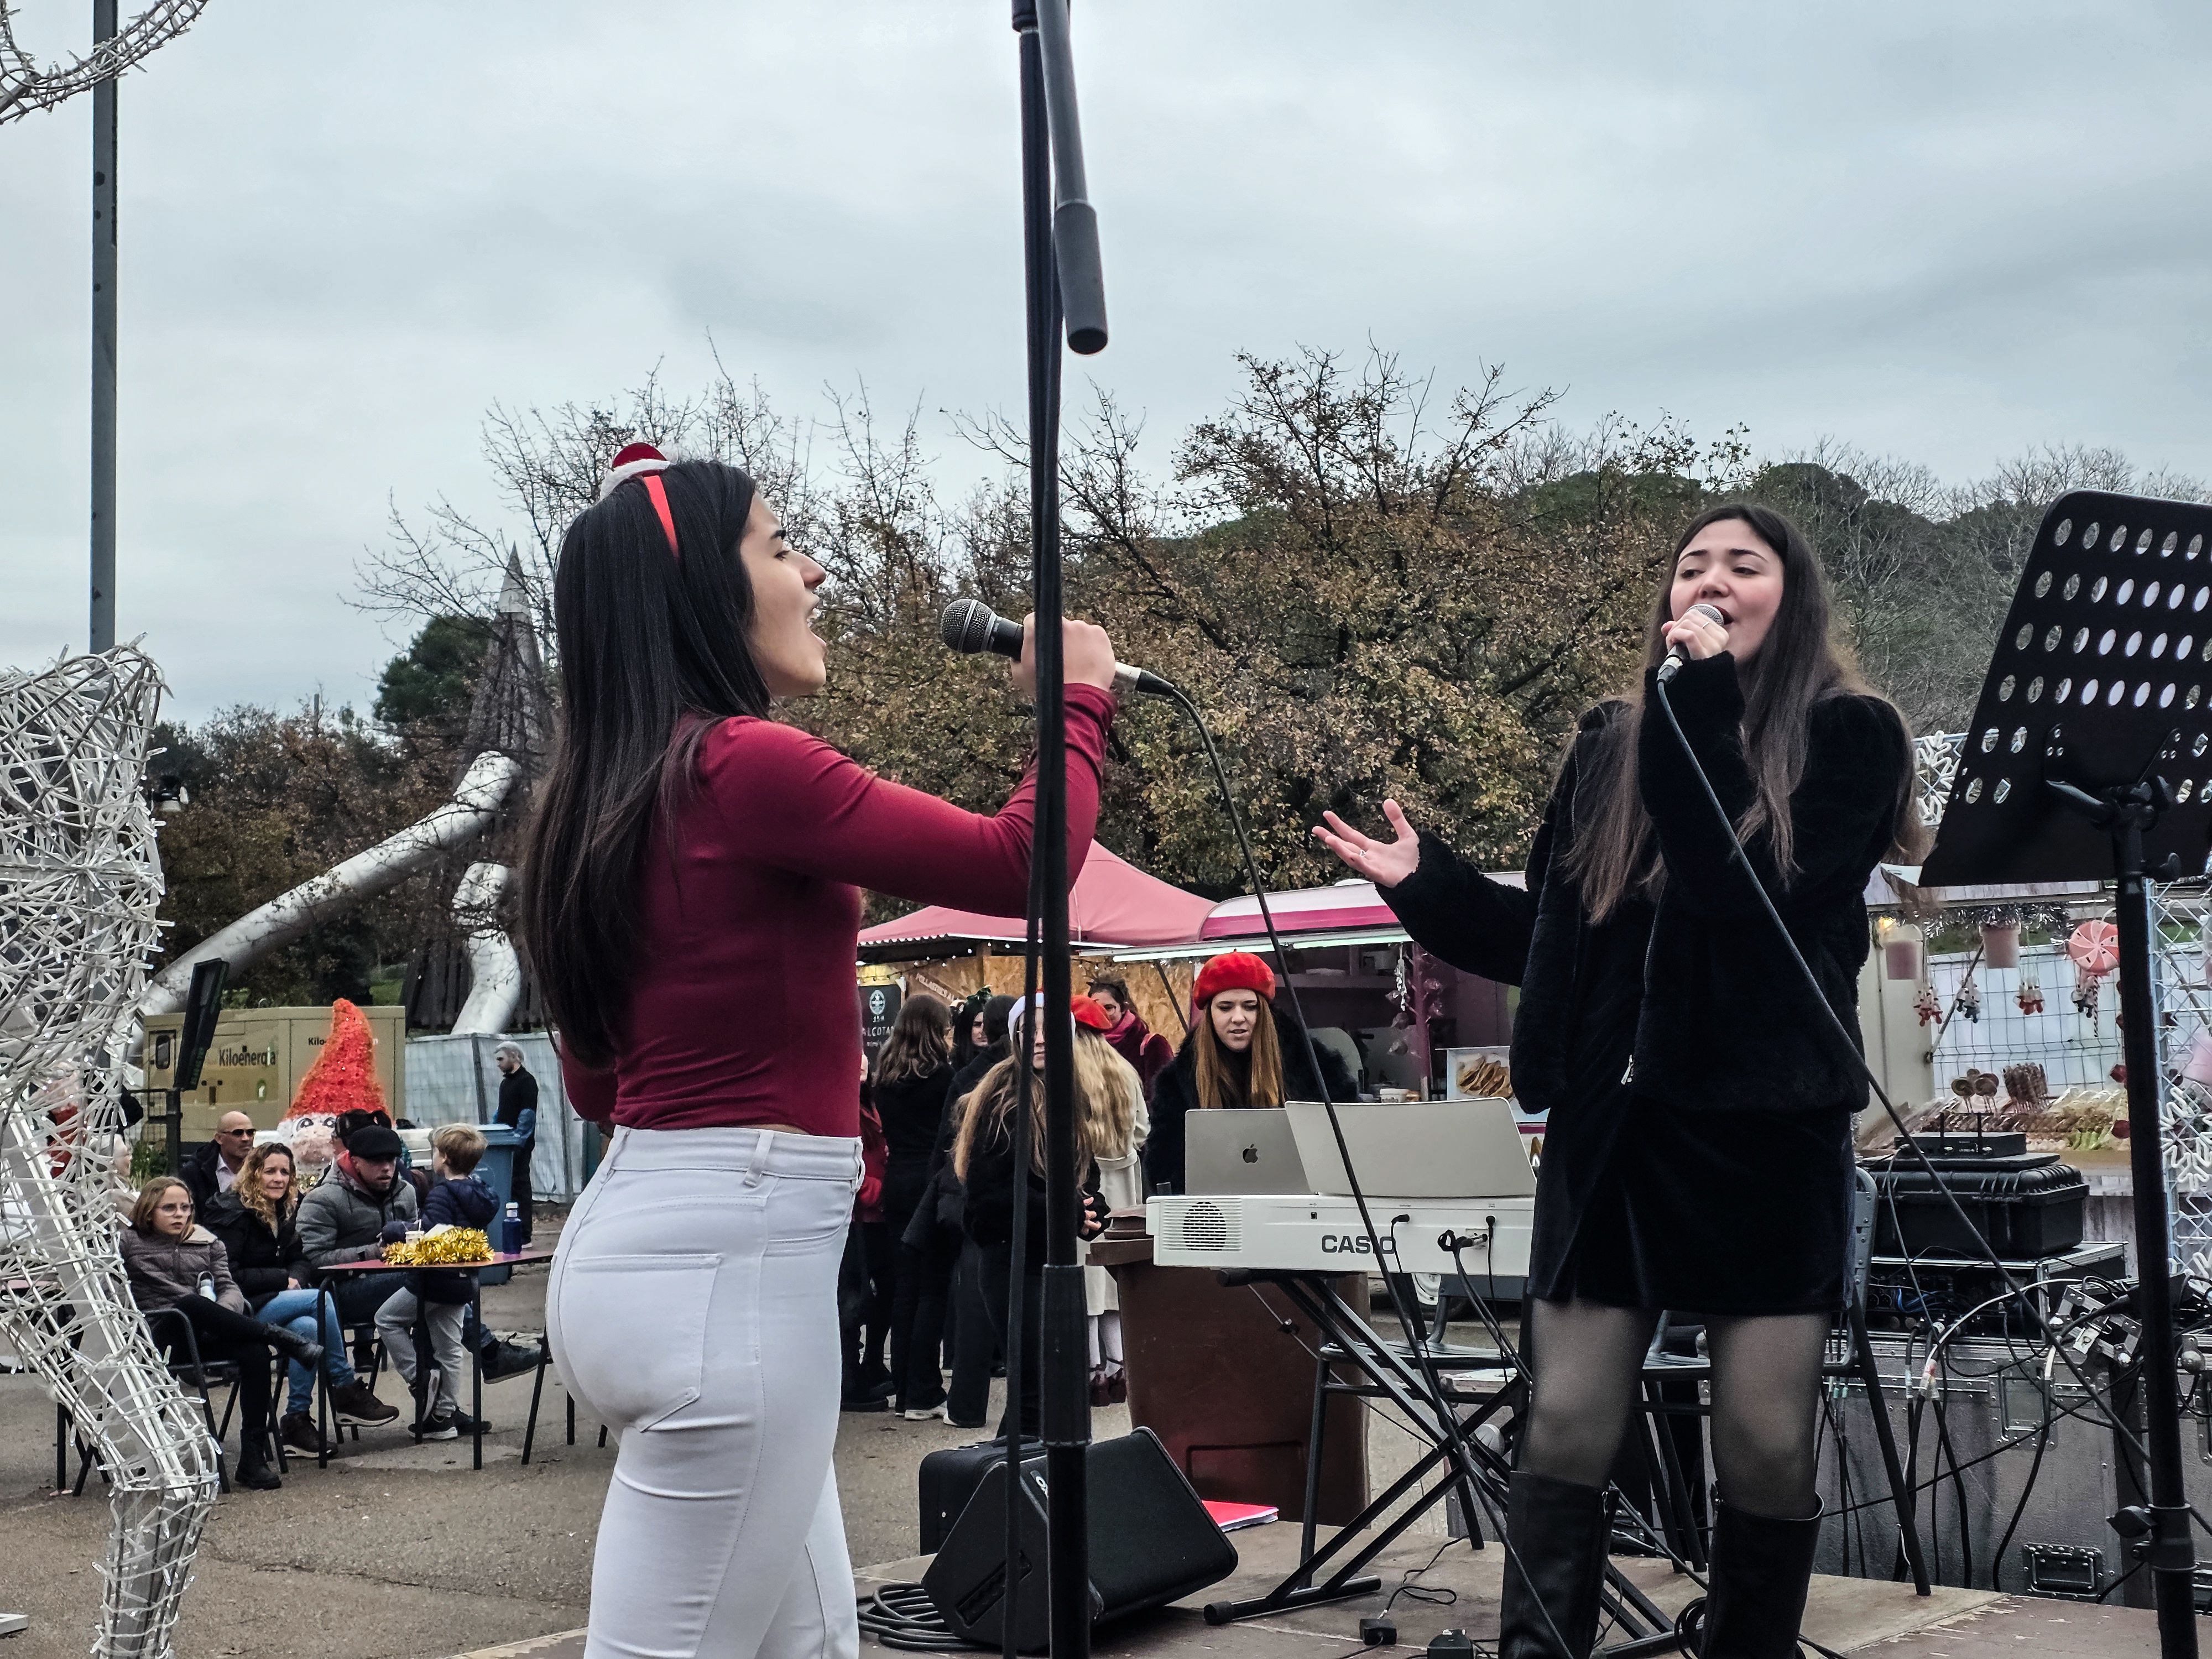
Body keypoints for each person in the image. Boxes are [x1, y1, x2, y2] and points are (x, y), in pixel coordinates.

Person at [521, 444, 1119, 1659]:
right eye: (780, 545)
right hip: (728, 1276)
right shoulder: (744, 765)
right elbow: (1020, 863)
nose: (815, 571)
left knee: (812, 1642)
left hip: (647, 1240)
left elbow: (595, 1078)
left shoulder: (590, 803)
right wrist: (1078, 702)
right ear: (702, 589)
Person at [1316, 503, 1923, 1659]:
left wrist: (1690, 705)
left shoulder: (1850, 734)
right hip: (1615, 1130)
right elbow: (1555, 935)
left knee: (1761, 1442)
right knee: (1564, 1424)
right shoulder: (1611, 738)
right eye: (1688, 567)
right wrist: (1427, 887)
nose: (1708, 581)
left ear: (1789, 600)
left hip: (1763, 1132)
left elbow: (1730, 891)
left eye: (1742, 566)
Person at [952, 995, 1112, 1438]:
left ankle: (1035, 1490)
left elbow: (1086, 1181)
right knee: (1033, 1390)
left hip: (1054, 1261)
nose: (1040, 1040)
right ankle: (1007, 1494)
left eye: (1050, 1031)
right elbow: (986, 1202)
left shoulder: (1071, 1098)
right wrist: (1061, 1210)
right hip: (1011, 1264)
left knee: (1052, 1388)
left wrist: (1090, 1212)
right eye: (1030, 1031)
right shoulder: (1001, 1102)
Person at [119, 1177, 325, 1491]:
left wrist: (223, 1312)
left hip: (207, 1331)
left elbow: (229, 1287)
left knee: (254, 1353)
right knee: (189, 1303)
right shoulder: (128, 1243)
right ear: (148, 1211)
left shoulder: (208, 1243)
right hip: (158, 1336)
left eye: (186, 1208)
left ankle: (252, 1459)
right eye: (169, 1208)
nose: (180, 1215)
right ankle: (275, 1335)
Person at [202, 1142, 399, 1454]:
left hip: (276, 1298)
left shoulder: (281, 1209)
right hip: (237, 1309)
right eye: (270, 1172)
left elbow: (302, 1259)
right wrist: (284, 1280)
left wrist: (295, 1278)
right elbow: (229, 1275)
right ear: (253, 1173)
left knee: (308, 1327)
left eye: (285, 1172)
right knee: (319, 1300)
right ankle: (344, 1387)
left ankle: (295, 1420)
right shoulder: (232, 1212)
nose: (278, 1178)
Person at [1144, 951, 1358, 1196]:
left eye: (1250, 1007)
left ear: (1263, 1011)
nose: (1238, 1018)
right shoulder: (1176, 1083)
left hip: (1301, 1209)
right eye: (1225, 1007)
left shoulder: (1316, 1068)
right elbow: (1162, 1167)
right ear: (1209, 1013)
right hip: (1213, 1216)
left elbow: (1348, 1142)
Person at [911, 993, 1014, 1430]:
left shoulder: (968, 1075)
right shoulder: (995, 1077)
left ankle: (966, 1406)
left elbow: (945, 1146)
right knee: (1001, 1302)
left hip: (975, 1199)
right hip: (990, 1199)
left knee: (973, 1301)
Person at [376, 1124, 505, 1441]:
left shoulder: (443, 1192)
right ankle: (442, 1417)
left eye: (435, 1151)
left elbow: (431, 1230)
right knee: (450, 1350)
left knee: (387, 1319)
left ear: (444, 1158)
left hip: (434, 1278)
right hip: (463, 1281)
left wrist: (395, 1230)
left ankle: (418, 1377)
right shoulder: (482, 1193)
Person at [870, 994, 956, 1419]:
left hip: (896, 1178)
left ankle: (903, 1387)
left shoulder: (884, 1077)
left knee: (905, 1288)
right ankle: (924, 1389)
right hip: (930, 1181)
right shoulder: (944, 1078)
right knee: (933, 1289)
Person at [1073, 998, 1147, 1404]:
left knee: (1088, 1283)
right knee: (1113, 1282)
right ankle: (1120, 1369)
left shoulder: (1069, 1078)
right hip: (1124, 1190)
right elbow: (1142, 1130)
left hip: (1087, 1190)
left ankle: (1092, 1372)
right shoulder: (1125, 1072)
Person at [294, 1120, 419, 1342]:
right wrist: (375, 1252)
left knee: (444, 1286)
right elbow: (313, 1260)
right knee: (429, 1283)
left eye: (391, 1160)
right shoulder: (323, 1199)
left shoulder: (405, 1192)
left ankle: (431, 1370)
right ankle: (484, 1350)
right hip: (340, 1290)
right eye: (376, 1161)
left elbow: (415, 1235)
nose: (387, 1168)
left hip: (399, 1282)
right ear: (356, 1162)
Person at [1086, 974, 1174, 1098]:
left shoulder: (1153, 1045)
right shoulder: (1086, 1045)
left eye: (1109, 1008)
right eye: (1096, 1008)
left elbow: (1162, 1097)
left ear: (1123, 1008)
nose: (1102, 1013)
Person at [494, 1041, 539, 1245]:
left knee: (520, 1186)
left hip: (518, 1144)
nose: (498, 1064)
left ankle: (524, 1234)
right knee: (509, 1187)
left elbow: (527, 1115)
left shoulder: (527, 1082)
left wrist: (517, 1141)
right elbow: (502, 1111)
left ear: (514, 1057)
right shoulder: (507, 1083)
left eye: (501, 1059)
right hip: (506, 1142)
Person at [179, 1111, 257, 1210]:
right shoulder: (195, 1172)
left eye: (250, 1133)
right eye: (238, 1133)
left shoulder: (262, 1166)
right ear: (219, 1139)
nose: (246, 1139)